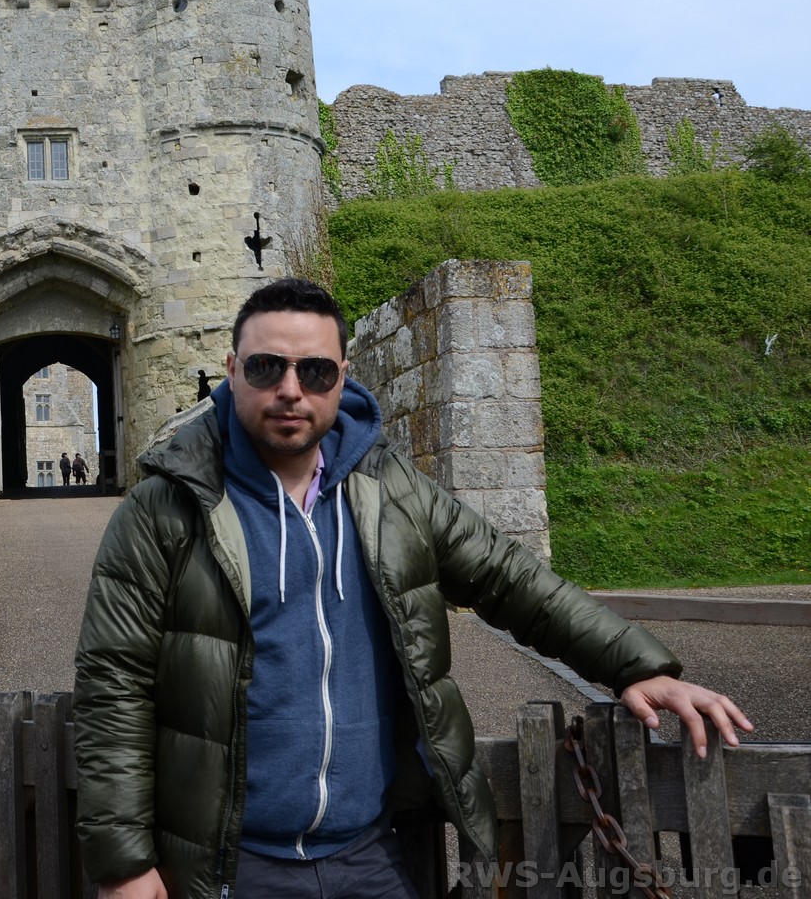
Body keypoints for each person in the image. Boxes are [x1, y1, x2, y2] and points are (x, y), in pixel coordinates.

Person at [73, 278, 750, 899]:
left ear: (342, 377)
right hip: (231, 865)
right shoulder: (165, 507)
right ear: (231, 371)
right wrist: (123, 863)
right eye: (266, 367)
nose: (290, 390)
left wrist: (634, 666)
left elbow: (508, 578)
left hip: (369, 856)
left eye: (314, 371)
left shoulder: (389, 489)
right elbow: (113, 684)